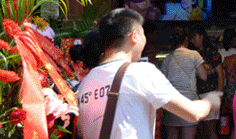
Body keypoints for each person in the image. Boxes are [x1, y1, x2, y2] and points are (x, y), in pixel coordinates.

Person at [76, 8, 221, 139]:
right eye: (143, 33)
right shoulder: (141, 72)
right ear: (134, 36)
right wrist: (210, 100)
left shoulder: (85, 83)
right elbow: (193, 113)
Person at [160, 31, 209, 139]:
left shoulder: (168, 58)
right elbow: (204, 76)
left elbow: (162, 82)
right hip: (189, 101)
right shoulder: (194, 55)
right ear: (186, 40)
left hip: (172, 102)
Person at [189, 24, 225, 139]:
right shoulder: (192, 53)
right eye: (191, 38)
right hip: (198, 94)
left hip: (211, 93)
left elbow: (220, 74)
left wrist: (219, 92)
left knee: (210, 129)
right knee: (203, 130)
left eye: (195, 37)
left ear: (201, 36)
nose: (193, 40)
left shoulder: (212, 52)